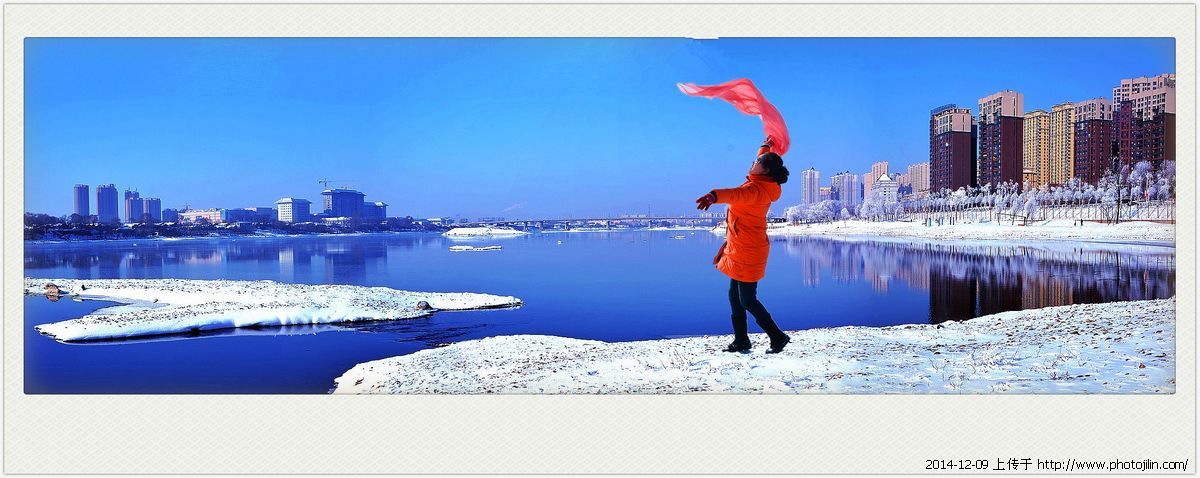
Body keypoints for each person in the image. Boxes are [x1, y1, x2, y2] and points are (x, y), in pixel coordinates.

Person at [695, 140, 791, 353]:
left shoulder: (755, 191)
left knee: (747, 299)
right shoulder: (764, 181)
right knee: (734, 296)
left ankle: (777, 336)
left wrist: (713, 196)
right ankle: (741, 340)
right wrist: (766, 145)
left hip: (749, 250)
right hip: (740, 247)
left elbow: (734, 194)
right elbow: (763, 159)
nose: (752, 163)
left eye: (757, 162)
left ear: (765, 170)